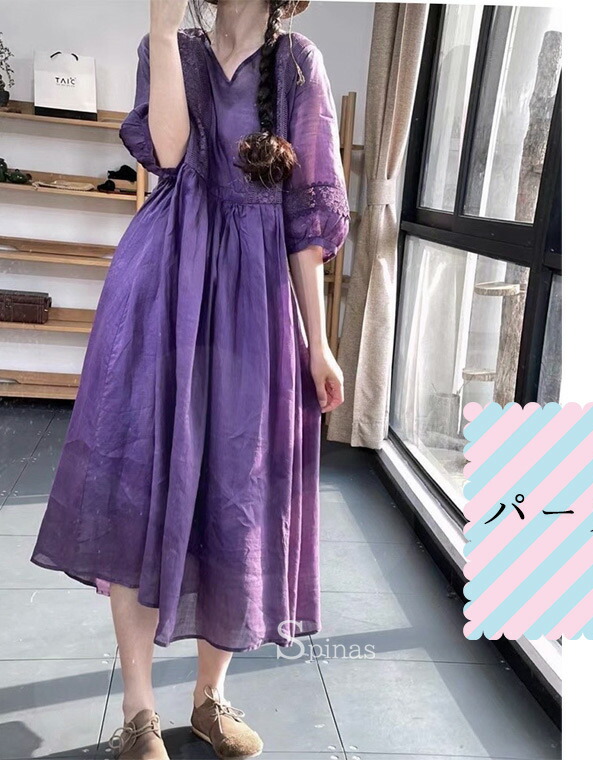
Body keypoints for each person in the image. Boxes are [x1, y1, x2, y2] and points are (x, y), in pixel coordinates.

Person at [30, 0, 349, 757]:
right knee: (137, 486)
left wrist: (319, 342)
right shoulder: (170, 45)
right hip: (161, 292)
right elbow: (170, 153)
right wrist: (162, 26)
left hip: (253, 304)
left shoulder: (298, 64)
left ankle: (211, 697)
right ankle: (139, 710)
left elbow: (306, 220)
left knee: (238, 490)